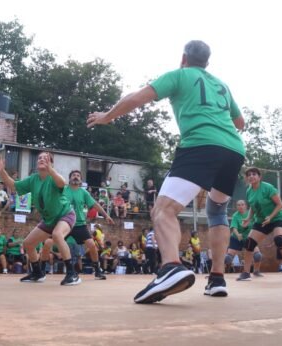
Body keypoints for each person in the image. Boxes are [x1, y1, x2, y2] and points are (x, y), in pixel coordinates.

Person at [88, 40, 246, 303]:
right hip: (233, 150)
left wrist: (107, 116)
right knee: (217, 211)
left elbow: (136, 98)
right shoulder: (222, 86)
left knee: (162, 210)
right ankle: (217, 279)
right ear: (207, 62)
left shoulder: (179, 75)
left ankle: (171, 267)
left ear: (183, 58)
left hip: (200, 144)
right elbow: (239, 122)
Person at [0, 151, 80, 286]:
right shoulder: (33, 179)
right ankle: (37, 273)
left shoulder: (53, 177)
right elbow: (14, 186)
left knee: (57, 235)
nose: (41, 159)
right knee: (28, 243)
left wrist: (51, 170)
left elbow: (62, 183)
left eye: (45, 158)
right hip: (49, 219)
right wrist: (2, 171)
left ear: (51, 163)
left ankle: (72, 274)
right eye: (39, 158)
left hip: (65, 214)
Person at [40, 170, 114, 280]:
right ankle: (41, 270)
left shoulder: (84, 193)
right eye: (73, 175)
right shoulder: (63, 189)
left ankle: (97, 271)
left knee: (92, 245)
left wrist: (106, 215)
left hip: (79, 224)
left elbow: (95, 205)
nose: (76, 177)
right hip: (64, 223)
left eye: (78, 176)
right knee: (47, 243)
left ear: (81, 180)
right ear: (69, 178)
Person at [237, 167, 282, 282]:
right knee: (249, 243)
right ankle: (246, 273)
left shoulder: (268, 188)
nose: (251, 176)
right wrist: (248, 218)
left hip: (277, 218)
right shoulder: (249, 191)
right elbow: (253, 206)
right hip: (262, 220)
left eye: (254, 174)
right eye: (249, 175)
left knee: (279, 240)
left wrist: (270, 217)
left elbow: (280, 204)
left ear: (259, 177)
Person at [228, 200, 263, 276]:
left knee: (258, 255)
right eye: (238, 205)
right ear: (236, 207)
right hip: (236, 238)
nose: (240, 206)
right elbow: (234, 228)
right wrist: (238, 234)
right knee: (228, 258)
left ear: (246, 206)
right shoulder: (235, 215)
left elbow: (257, 223)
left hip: (249, 237)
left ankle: (256, 271)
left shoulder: (251, 214)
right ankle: (218, 272)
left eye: (242, 204)